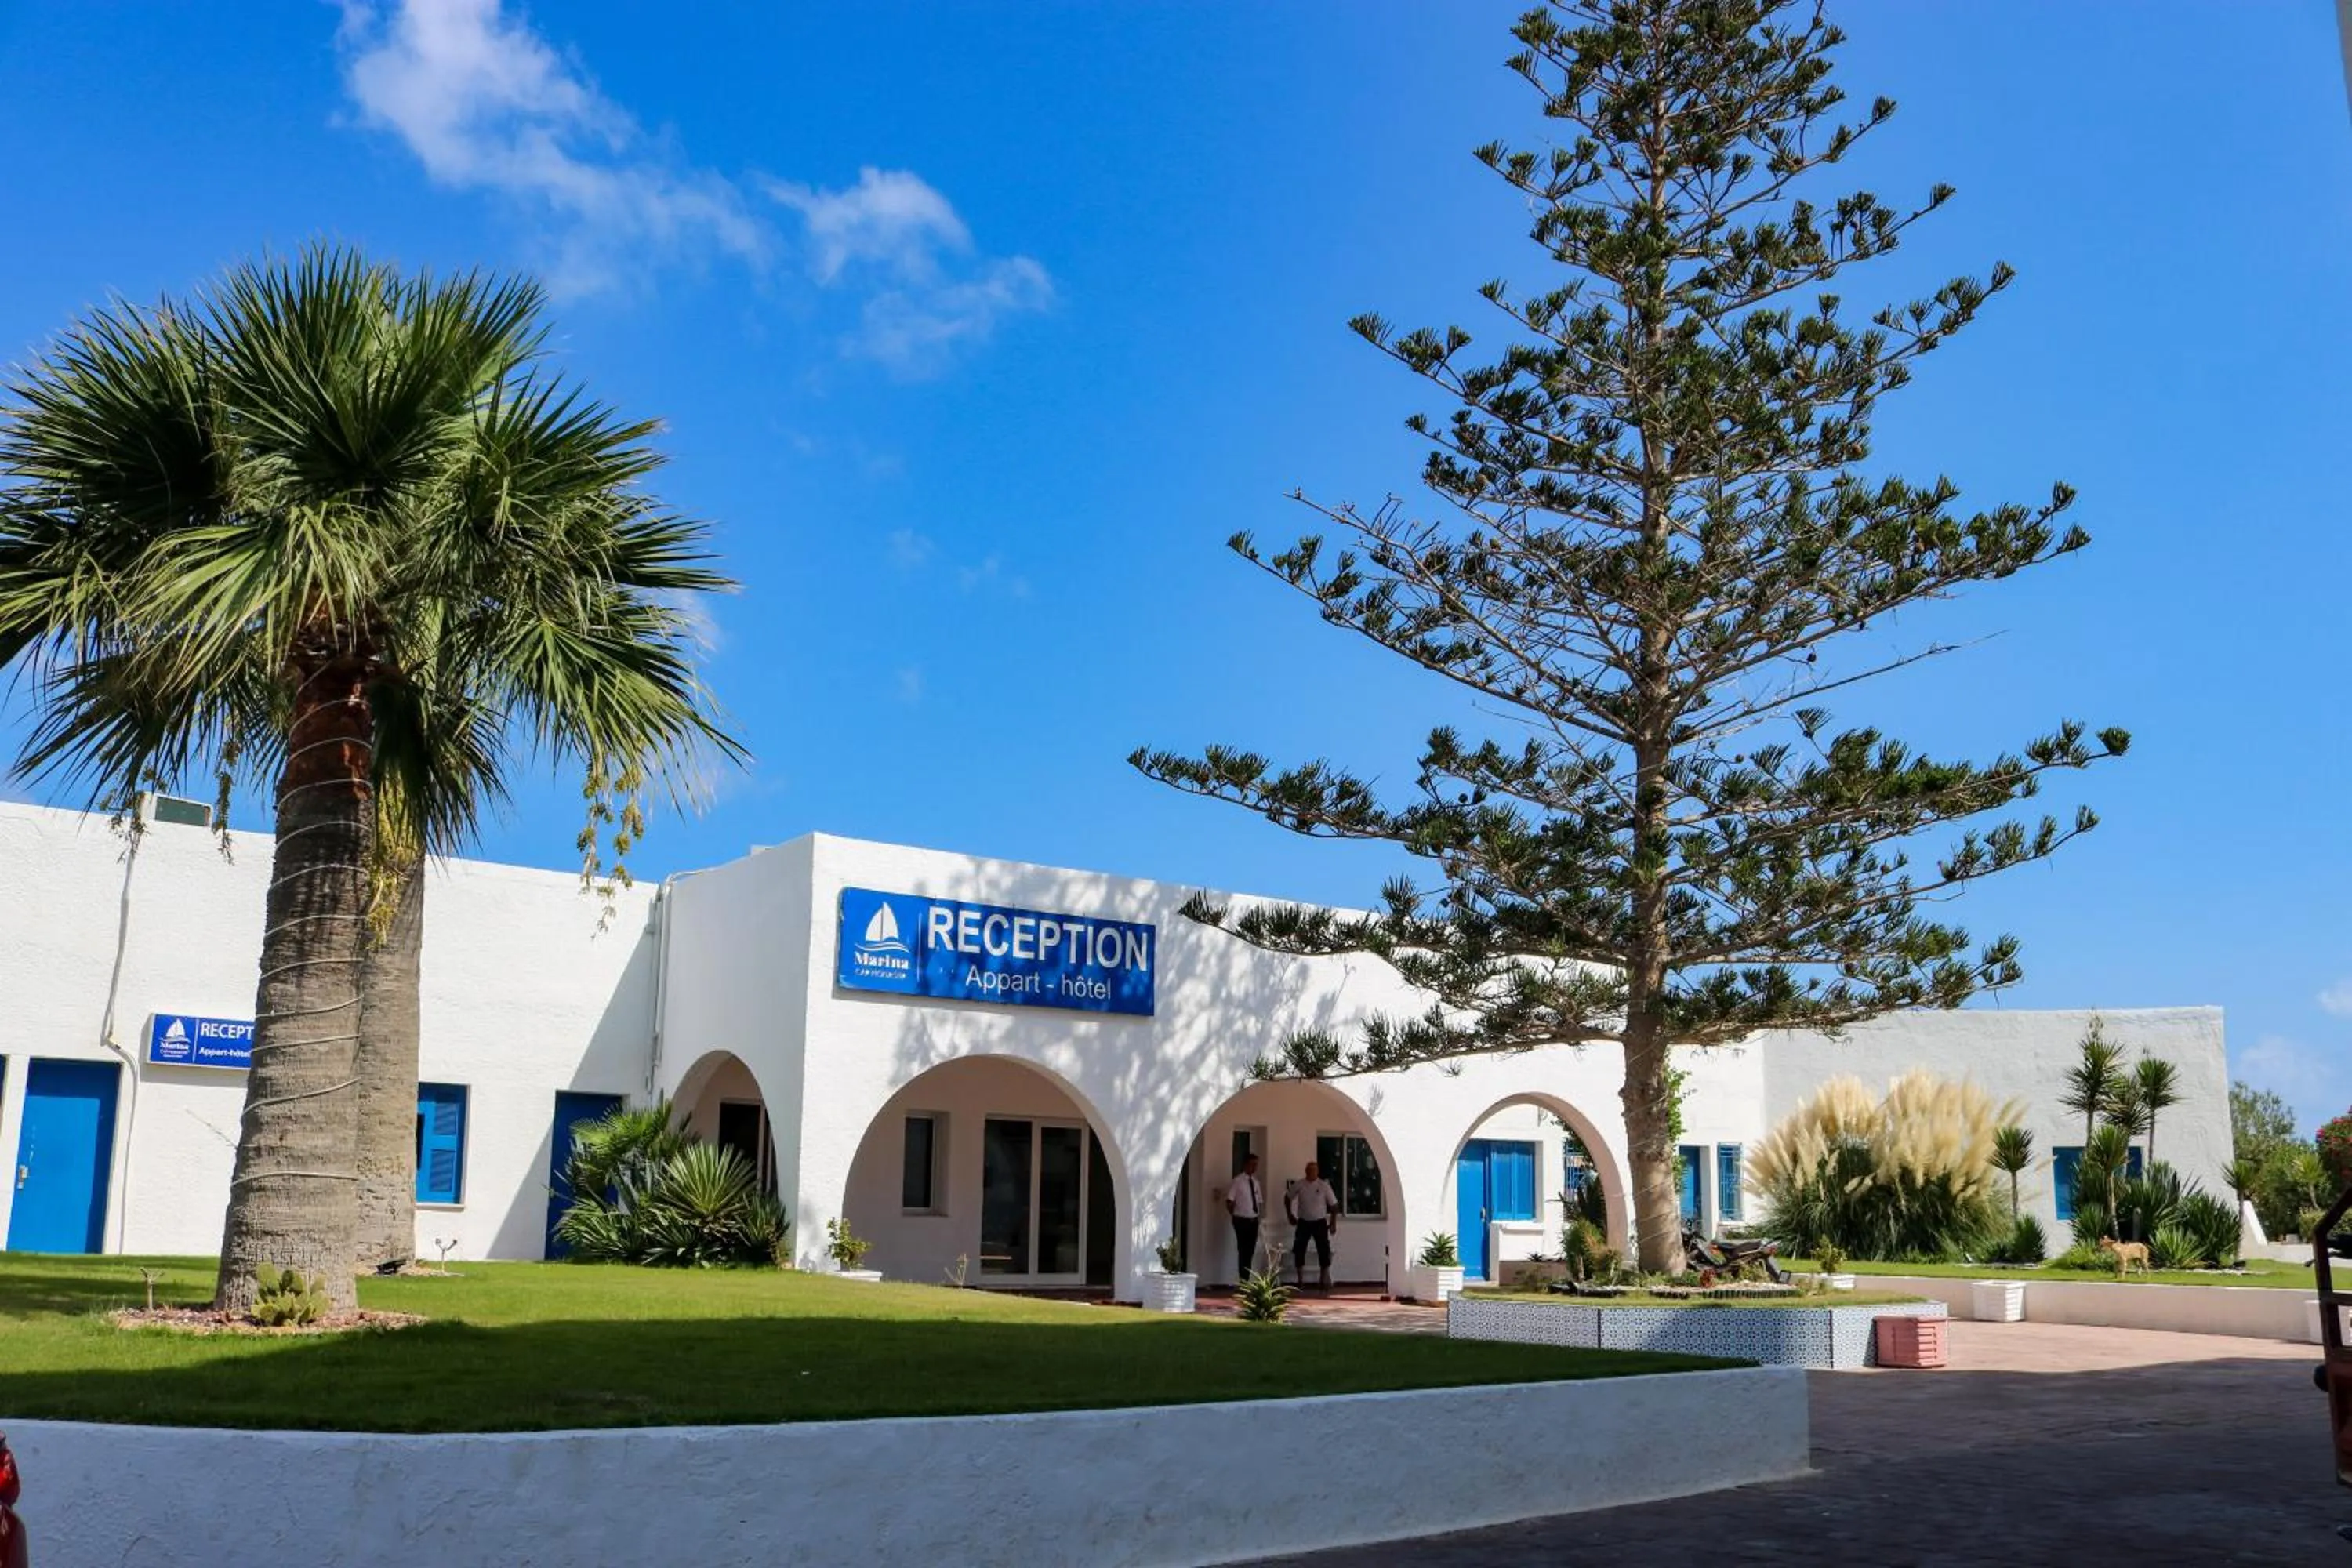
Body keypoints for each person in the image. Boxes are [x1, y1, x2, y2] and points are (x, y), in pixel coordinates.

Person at [1290, 1160, 1339, 1290]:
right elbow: (1287, 1198)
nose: (1312, 1172)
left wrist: (1333, 1222)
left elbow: (1334, 1205)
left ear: (1318, 1172)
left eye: (1314, 1170)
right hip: (1304, 1222)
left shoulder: (1324, 1186)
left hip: (1319, 1222)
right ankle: (1300, 1281)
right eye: (1309, 1170)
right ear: (1306, 1171)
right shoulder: (1299, 1185)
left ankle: (1323, 1280)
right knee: (1299, 1249)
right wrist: (1290, 1215)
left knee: (1324, 1250)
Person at [1223, 1152, 1264, 1279]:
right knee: (1243, 1249)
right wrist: (1235, 1215)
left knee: (1251, 1250)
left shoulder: (1256, 1182)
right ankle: (1243, 1279)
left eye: (1256, 1165)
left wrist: (1258, 1216)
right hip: (1241, 1220)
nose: (1254, 1167)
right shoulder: (1238, 1181)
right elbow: (1229, 1201)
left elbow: (1259, 1201)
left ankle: (1247, 1276)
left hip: (1253, 1220)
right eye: (1252, 1164)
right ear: (1246, 1165)